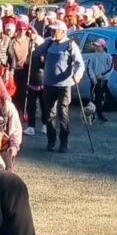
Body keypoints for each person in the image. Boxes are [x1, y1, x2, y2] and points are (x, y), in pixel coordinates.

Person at [33, 21, 86, 153]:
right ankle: (51, 140)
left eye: (54, 30)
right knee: (49, 113)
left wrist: (77, 76)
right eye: (51, 30)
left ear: (62, 31)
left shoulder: (70, 45)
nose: (52, 32)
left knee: (63, 113)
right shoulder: (49, 42)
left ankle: (64, 141)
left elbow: (80, 64)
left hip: (64, 84)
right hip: (49, 83)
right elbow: (36, 53)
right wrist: (34, 41)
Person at [84, 37, 113, 123]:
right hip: (95, 81)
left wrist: (102, 76)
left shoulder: (108, 57)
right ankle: (92, 115)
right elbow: (89, 68)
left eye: (98, 46)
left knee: (100, 98)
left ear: (103, 47)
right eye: (95, 46)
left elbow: (110, 68)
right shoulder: (92, 56)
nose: (96, 47)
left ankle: (99, 114)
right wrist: (93, 78)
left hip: (104, 81)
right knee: (93, 98)